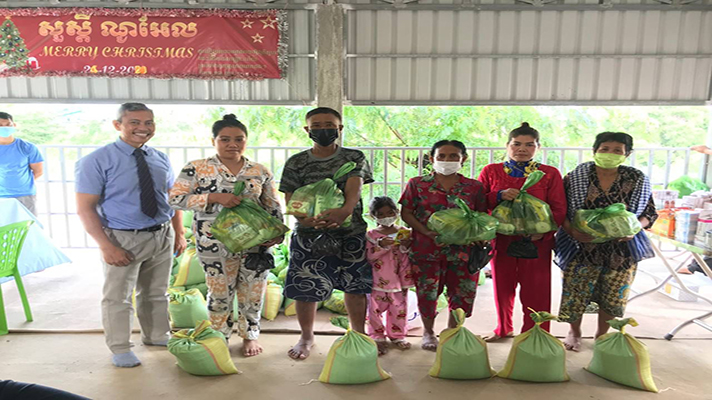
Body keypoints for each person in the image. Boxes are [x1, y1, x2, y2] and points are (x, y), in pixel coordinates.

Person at [75, 103, 187, 368]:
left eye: (149, 123)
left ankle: (157, 335)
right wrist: (106, 246)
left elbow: (172, 198)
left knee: (156, 292)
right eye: (134, 122)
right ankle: (120, 348)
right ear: (118, 125)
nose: (143, 128)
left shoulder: (159, 157)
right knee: (118, 297)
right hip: (122, 237)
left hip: (161, 235)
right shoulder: (96, 160)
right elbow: (84, 208)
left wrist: (178, 232)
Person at [168, 114, 284, 357]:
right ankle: (219, 335)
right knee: (219, 292)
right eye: (225, 139)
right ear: (214, 141)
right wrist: (213, 197)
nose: (233, 144)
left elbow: (272, 204)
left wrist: (277, 233)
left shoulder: (259, 170)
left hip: (255, 244)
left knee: (253, 291)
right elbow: (175, 199)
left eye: (239, 139)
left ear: (246, 140)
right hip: (214, 244)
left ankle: (249, 336)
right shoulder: (197, 168)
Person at [280, 107, 374, 360]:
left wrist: (345, 210)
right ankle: (306, 337)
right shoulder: (296, 162)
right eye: (317, 125)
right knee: (305, 287)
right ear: (307, 130)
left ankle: (359, 333)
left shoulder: (354, 157)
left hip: (350, 232)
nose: (324, 130)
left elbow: (355, 185)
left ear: (340, 129)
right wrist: (305, 219)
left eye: (329, 125)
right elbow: (291, 195)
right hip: (308, 235)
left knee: (355, 286)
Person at [555, 132, 657, 351]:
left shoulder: (636, 179)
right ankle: (574, 331)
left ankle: (602, 335)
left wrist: (634, 228)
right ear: (594, 151)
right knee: (575, 290)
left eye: (617, 150)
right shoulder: (576, 176)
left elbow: (649, 213)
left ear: (627, 154)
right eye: (605, 149)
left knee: (613, 293)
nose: (610, 154)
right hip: (581, 246)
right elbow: (559, 208)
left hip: (621, 248)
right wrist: (571, 230)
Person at [478, 123, 567, 341]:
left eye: (529, 145)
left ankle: (536, 333)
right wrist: (498, 195)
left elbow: (559, 207)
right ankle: (503, 328)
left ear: (538, 147)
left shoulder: (548, 174)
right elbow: (478, 202)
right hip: (502, 240)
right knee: (503, 287)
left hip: (537, 242)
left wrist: (543, 233)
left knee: (537, 290)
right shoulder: (491, 171)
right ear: (507, 146)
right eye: (516, 144)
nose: (522, 149)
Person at [399, 140, 487, 351]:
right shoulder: (417, 184)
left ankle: (452, 332)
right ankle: (428, 332)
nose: (447, 161)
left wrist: (478, 235)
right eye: (442, 156)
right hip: (426, 249)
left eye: (453, 156)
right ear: (432, 159)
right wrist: (424, 230)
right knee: (427, 293)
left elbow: (482, 216)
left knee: (462, 294)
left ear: (463, 159)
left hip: (463, 251)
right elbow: (406, 212)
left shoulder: (474, 187)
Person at [365, 196, 414, 355]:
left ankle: (397, 335)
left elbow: (409, 256)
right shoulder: (371, 236)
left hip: (399, 280)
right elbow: (369, 257)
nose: (386, 217)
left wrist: (406, 247)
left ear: (397, 212)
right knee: (374, 310)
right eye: (381, 214)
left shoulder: (405, 233)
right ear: (373, 216)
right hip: (378, 280)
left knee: (399, 309)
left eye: (390, 212)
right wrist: (381, 246)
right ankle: (377, 336)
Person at [0, 112, 44, 216]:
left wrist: (21, 185)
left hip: (25, 196)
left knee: (29, 228)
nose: (4, 128)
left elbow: (38, 171)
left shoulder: (27, 147)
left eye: (7, 125)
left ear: (14, 125)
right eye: (0, 125)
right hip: (1, 197)